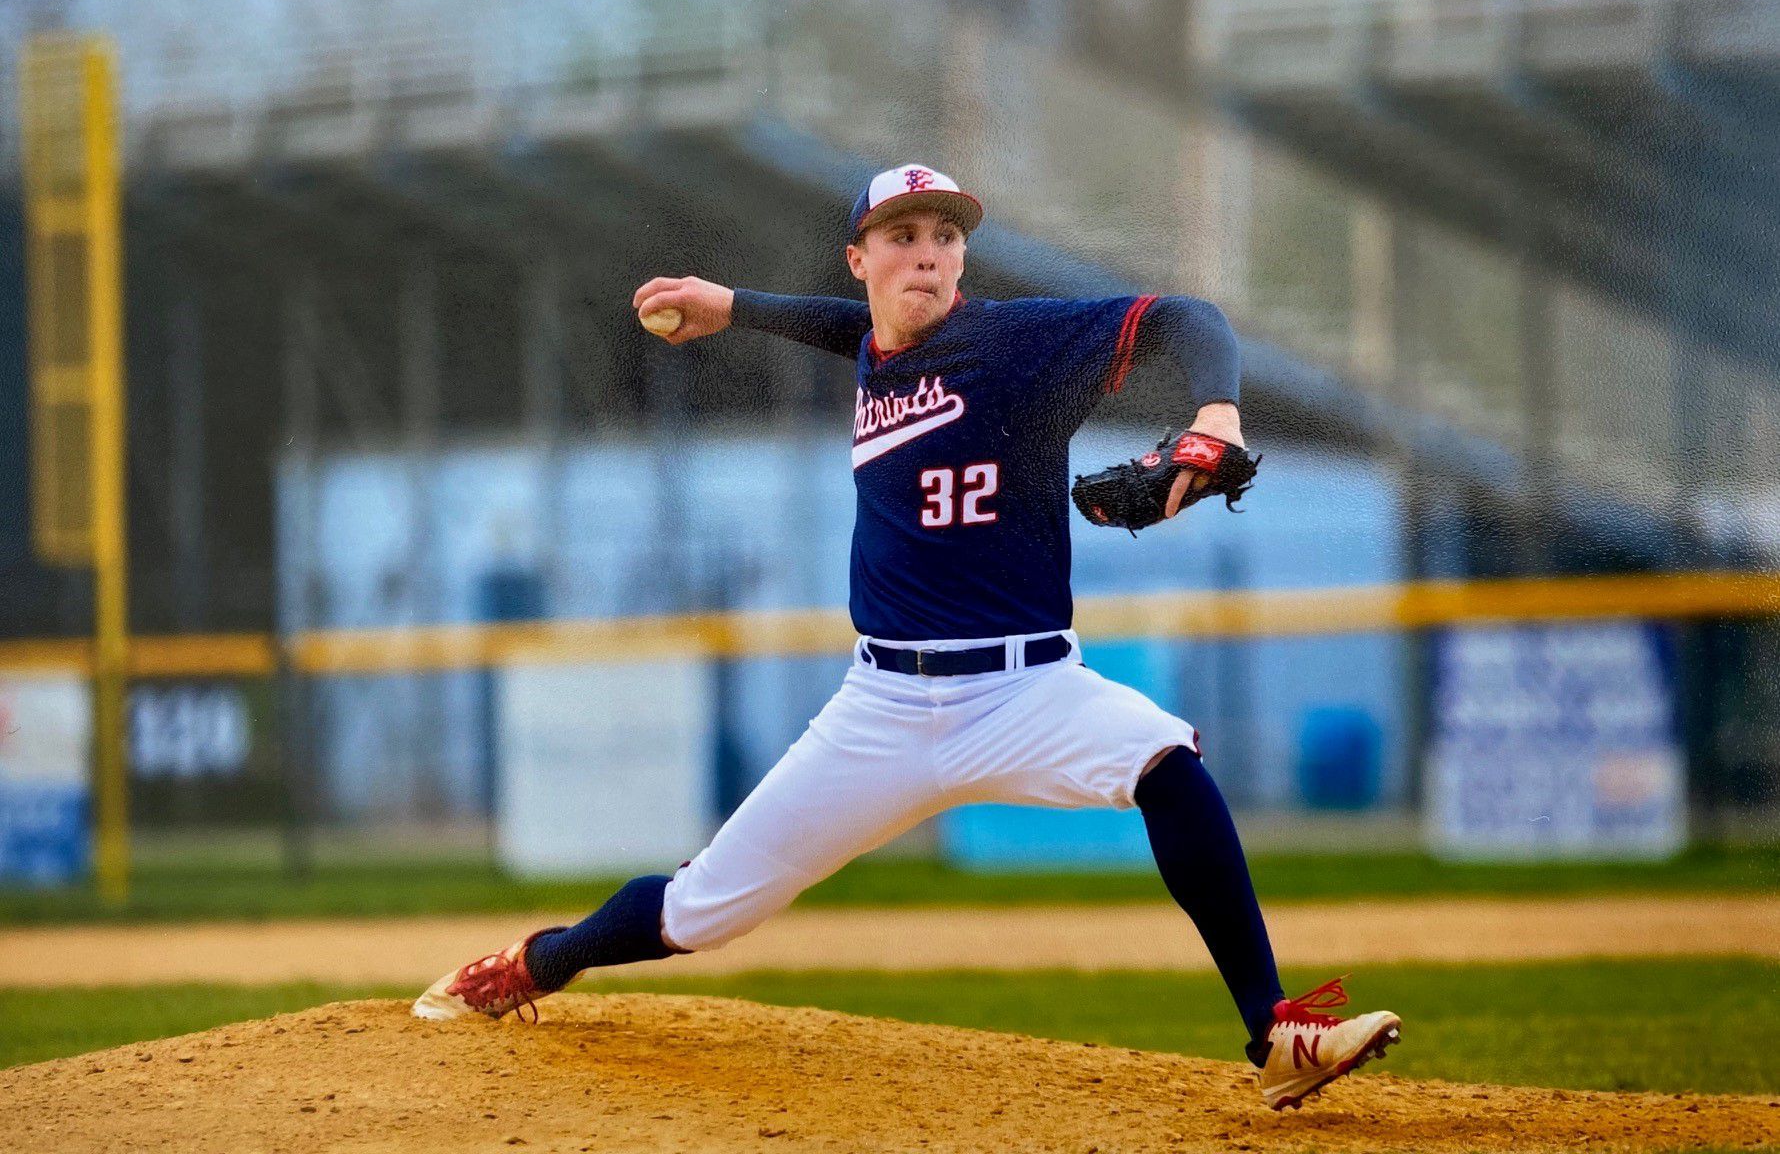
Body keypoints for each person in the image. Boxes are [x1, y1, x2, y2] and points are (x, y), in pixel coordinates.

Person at [414, 164, 1400, 1110]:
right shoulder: (875, 349)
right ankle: (536, 961)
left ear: (962, 261)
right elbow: (855, 335)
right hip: (880, 709)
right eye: (901, 236)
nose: (927, 253)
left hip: (1028, 691)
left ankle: (1274, 1035)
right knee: (695, 911)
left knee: (1165, 759)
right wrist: (735, 305)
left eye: (944, 237)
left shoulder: (1019, 346)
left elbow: (1186, 320)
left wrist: (1216, 409)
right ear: (860, 259)